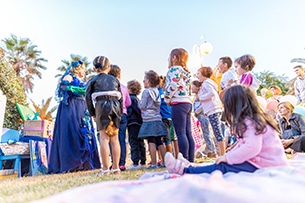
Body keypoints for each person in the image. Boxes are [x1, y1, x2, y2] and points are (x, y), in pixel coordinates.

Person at [165, 85, 288, 175]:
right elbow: (244, 144)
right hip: (267, 162)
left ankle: (185, 170)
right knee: (222, 162)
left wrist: (228, 158)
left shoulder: (250, 121)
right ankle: (191, 165)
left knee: (223, 167)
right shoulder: (254, 119)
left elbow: (251, 147)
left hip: (266, 165)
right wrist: (229, 154)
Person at [49, 60, 101, 174]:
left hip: (82, 107)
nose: (85, 71)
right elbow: (63, 86)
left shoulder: (83, 80)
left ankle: (83, 164)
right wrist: (74, 89)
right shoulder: (70, 76)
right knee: (72, 132)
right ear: (78, 69)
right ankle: (71, 163)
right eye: (83, 69)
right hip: (71, 107)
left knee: (84, 133)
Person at [85, 56, 123, 175]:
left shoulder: (92, 81)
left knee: (104, 138)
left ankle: (106, 169)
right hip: (115, 105)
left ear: (95, 68)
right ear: (109, 67)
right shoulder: (115, 80)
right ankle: (116, 167)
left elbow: (88, 98)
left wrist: (93, 113)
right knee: (115, 139)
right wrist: (120, 111)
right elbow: (121, 97)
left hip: (101, 106)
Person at [164, 48, 194, 162]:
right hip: (187, 102)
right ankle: (190, 159)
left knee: (180, 132)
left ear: (174, 58)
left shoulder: (173, 69)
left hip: (178, 102)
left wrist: (167, 98)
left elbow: (173, 84)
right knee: (188, 133)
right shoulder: (186, 72)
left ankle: (183, 159)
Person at [138, 70, 167, 169]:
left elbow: (142, 105)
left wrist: (139, 103)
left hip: (148, 119)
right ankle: (164, 161)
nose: (143, 81)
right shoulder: (157, 91)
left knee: (151, 141)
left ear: (149, 81)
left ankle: (154, 163)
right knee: (160, 141)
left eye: (145, 80)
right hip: (157, 118)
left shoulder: (146, 92)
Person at [196, 66, 225, 156]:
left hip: (213, 110)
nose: (197, 76)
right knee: (217, 132)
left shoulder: (206, 83)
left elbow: (212, 93)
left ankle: (222, 154)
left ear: (204, 74)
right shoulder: (207, 83)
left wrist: (201, 98)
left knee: (217, 133)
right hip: (213, 109)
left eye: (198, 73)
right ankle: (221, 153)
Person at [108, 64, 131, 171]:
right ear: (119, 75)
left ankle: (114, 163)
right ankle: (122, 163)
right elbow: (128, 103)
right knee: (121, 139)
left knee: (111, 139)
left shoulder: (108, 87)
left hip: (112, 114)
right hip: (123, 115)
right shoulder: (124, 88)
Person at [191, 80, 217, 158]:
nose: (191, 88)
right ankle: (210, 149)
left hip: (202, 115)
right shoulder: (196, 96)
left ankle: (212, 150)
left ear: (197, 87)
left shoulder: (201, 95)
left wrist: (197, 112)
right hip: (199, 115)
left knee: (207, 133)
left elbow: (203, 105)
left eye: (193, 87)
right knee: (205, 133)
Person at [126, 79, 146, 170]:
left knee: (133, 142)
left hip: (133, 122)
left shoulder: (130, 99)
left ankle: (135, 162)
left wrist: (127, 118)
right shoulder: (137, 99)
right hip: (139, 123)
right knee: (140, 142)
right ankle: (143, 160)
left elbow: (132, 110)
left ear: (129, 88)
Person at [159, 75, 179, 158]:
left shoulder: (158, 92)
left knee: (167, 140)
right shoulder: (169, 92)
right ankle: (177, 156)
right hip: (172, 117)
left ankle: (169, 157)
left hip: (164, 118)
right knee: (174, 138)